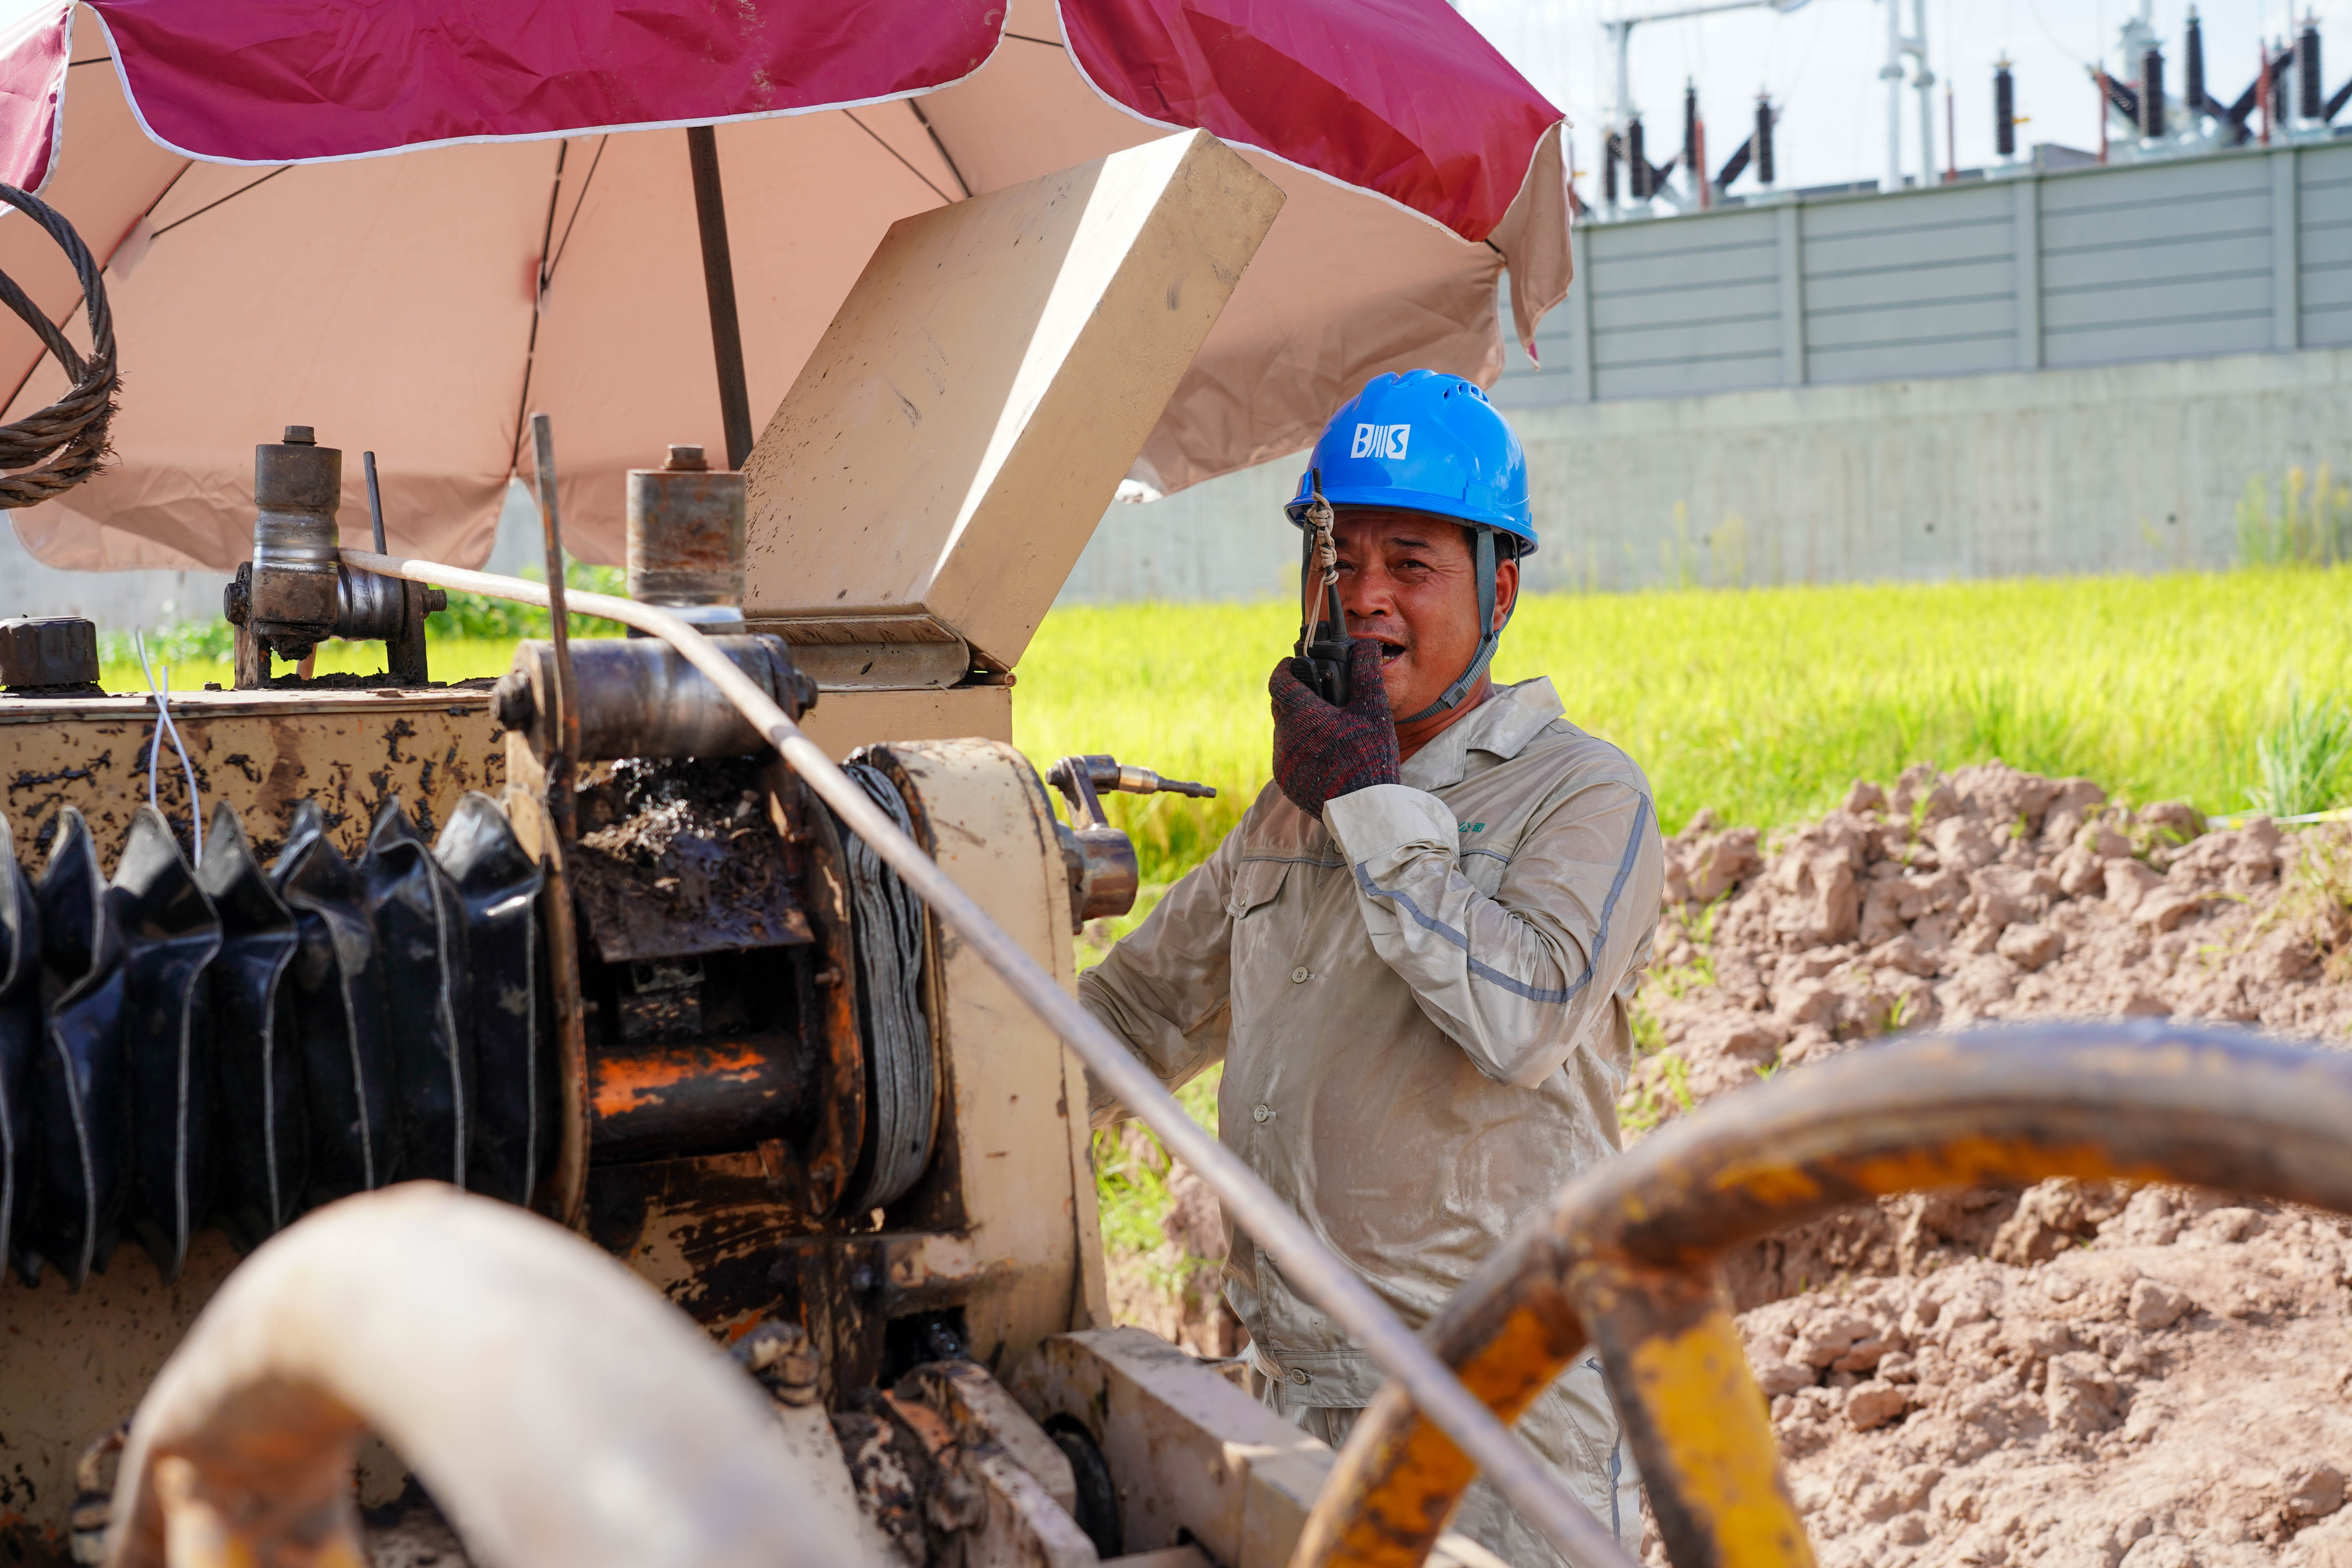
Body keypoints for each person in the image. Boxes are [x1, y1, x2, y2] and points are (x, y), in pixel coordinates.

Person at [1079, 369, 1664, 1563]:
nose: (1362, 598)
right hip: (1294, 1400)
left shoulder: (1582, 793)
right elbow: (1135, 1013)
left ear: (1500, 589)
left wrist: (1368, 804)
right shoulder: (1289, 814)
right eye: (1337, 562)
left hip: (1493, 1418)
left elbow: (1526, 1015)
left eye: (1411, 564)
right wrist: (961, 1097)